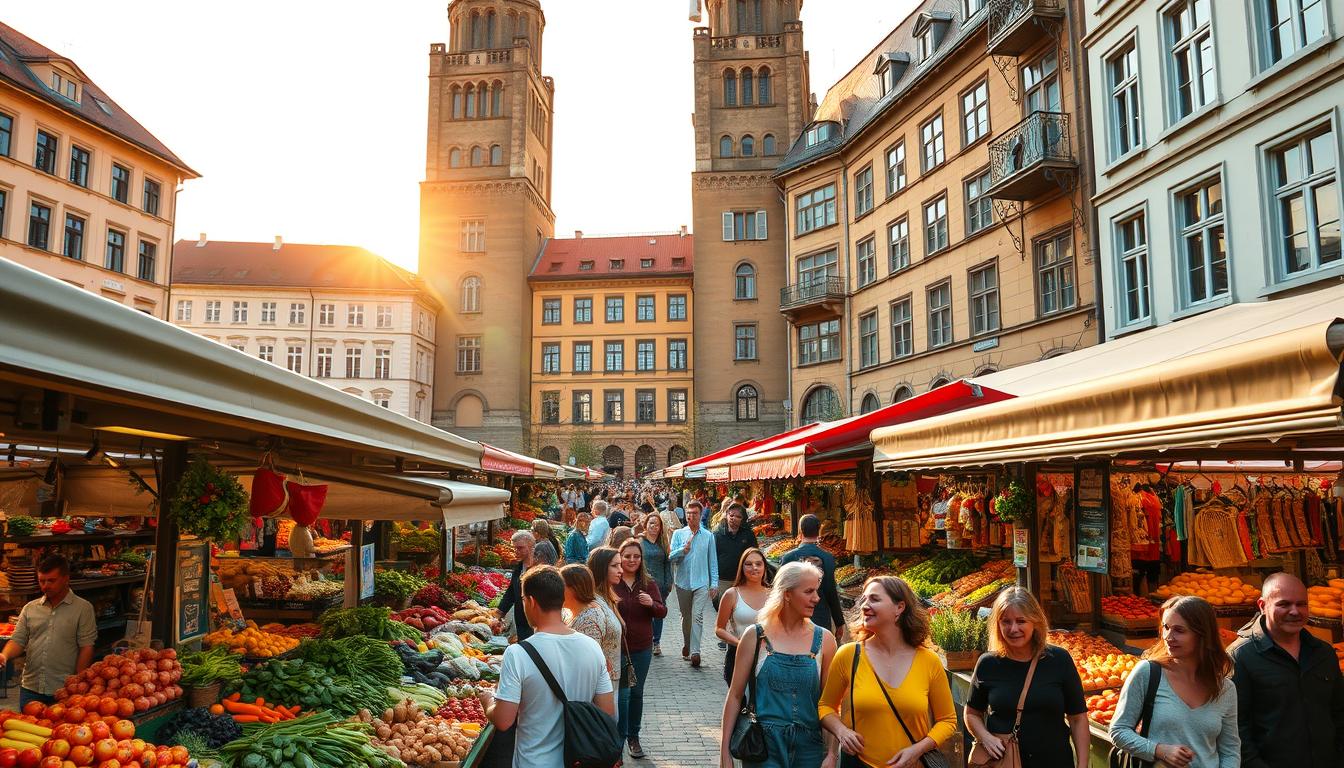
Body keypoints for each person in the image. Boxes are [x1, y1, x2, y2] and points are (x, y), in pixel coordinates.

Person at [481, 565, 614, 768]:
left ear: (531, 602)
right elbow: (607, 712)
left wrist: (488, 700)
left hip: (533, 762)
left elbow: (503, 720)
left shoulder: (518, 654)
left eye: (524, 600)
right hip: (579, 760)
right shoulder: (592, 647)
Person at [818, 576, 956, 768]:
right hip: (859, 764)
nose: (865, 605)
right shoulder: (849, 655)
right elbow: (825, 706)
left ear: (899, 607)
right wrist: (841, 732)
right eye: (864, 599)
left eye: (874, 599)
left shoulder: (928, 660)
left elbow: (948, 720)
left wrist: (919, 749)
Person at [720, 561, 838, 768]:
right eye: (809, 591)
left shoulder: (825, 641)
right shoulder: (755, 637)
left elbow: (829, 704)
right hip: (763, 749)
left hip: (809, 749)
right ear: (787, 594)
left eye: (817, 591)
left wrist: (831, 754)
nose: (817, 598)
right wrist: (725, 755)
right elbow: (735, 695)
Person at [1228, 572, 1344, 768]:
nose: (1294, 611)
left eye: (1301, 604)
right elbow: (1236, 728)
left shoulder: (1324, 653)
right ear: (1263, 606)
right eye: (1284, 604)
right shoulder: (1241, 656)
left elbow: (1339, 713)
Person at [1110, 595, 1239, 768]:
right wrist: (1159, 750)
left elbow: (1230, 749)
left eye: (1179, 630)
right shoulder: (1148, 673)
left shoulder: (1225, 688)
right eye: (1166, 627)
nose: (1168, 636)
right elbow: (1118, 731)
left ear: (1202, 635)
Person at [965, 587, 1088, 768]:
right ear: (997, 625)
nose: (1013, 629)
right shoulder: (988, 664)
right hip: (1004, 762)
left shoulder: (1059, 660)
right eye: (1006, 622)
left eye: (1021, 621)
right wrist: (985, 738)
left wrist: (1083, 765)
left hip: (1054, 761)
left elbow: (1078, 718)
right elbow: (971, 713)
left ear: (1035, 622)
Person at [0, 555, 97, 707]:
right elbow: (18, 640)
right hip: (31, 688)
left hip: (63, 690)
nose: (45, 586)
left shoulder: (83, 609)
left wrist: (78, 682)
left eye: (51, 580)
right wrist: (4, 655)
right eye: (41, 581)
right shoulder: (30, 608)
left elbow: (86, 647)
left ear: (66, 579)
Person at [614, 538, 667, 759]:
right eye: (627, 556)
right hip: (617, 647)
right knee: (623, 694)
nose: (632, 560)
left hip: (641, 647)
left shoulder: (648, 583)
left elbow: (662, 612)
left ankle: (633, 737)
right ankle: (619, 738)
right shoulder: (611, 581)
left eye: (636, 556)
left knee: (636, 693)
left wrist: (651, 604)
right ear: (620, 557)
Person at [669, 499, 718, 667]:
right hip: (682, 582)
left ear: (700, 515)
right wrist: (682, 550)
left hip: (701, 583)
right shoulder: (678, 534)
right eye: (688, 514)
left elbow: (713, 561)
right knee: (686, 617)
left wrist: (714, 583)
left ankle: (696, 652)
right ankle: (687, 644)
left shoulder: (708, 536)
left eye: (695, 514)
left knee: (697, 616)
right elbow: (671, 558)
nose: (691, 517)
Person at [780, 515, 845, 640]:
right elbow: (831, 591)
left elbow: (781, 591)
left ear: (800, 531)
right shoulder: (828, 558)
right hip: (820, 616)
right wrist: (839, 621)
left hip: (794, 616)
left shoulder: (788, 558)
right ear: (819, 530)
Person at [715, 547, 771, 685]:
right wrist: (739, 643)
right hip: (738, 655)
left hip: (768, 657)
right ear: (742, 567)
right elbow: (719, 629)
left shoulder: (774, 595)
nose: (754, 568)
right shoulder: (731, 594)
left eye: (758, 564)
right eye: (748, 564)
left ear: (764, 566)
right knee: (739, 702)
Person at [561, 563, 622, 688]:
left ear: (574, 588)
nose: (556, 591)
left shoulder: (590, 618)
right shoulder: (569, 612)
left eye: (561, 586)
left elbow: (590, 665)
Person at [586, 548, 627, 692]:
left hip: (612, 678)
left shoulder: (608, 597)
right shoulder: (593, 604)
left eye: (620, 565)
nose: (621, 570)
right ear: (601, 568)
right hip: (601, 682)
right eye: (614, 566)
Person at [640, 513, 673, 656]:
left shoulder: (663, 544)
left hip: (660, 585)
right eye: (651, 523)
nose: (654, 526)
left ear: (661, 528)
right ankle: (644, 640)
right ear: (646, 525)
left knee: (658, 613)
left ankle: (656, 642)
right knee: (643, 613)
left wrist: (669, 582)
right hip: (643, 583)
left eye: (657, 524)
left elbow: (668, 564)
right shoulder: (640, 542)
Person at [714, 503, 759, 606]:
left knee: (740, 610)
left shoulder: (748, 535)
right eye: (731, 515)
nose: (733, 518)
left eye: (738, 516)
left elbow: (754, 554)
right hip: (723, 580)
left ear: (742, 519)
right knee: (723, 609)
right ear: (726, 515)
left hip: (742, 579)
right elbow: (711, 558)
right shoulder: (717, 535)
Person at [496, 531, 538, 641]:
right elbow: (511, 592)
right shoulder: (519, 567)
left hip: (535, 622)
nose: (516, 552)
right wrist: (500, 613)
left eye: (520, 548)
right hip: (521, 620)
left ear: (531, 546)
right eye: (515, 548)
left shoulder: (538, 569)